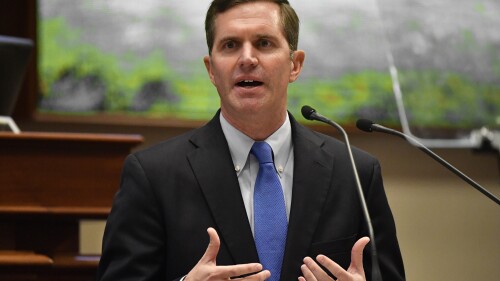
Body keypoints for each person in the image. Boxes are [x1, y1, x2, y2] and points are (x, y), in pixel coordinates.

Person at [97, 0, 405, 280]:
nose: (247, 58)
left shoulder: (355, 172)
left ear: (294, 65)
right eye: (230, 45)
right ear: (211, 70)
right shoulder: (153, 175)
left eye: (264, 43)